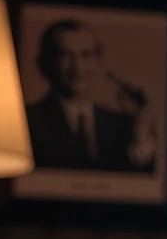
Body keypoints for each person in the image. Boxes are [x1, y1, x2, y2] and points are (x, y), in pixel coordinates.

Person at [24, 19, 157, 174]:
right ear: (45, 64)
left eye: (86, 55)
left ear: (99, 62)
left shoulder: (123, 127)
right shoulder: (27, 122)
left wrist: (142, 124)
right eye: (65, 55)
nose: (77, 67)